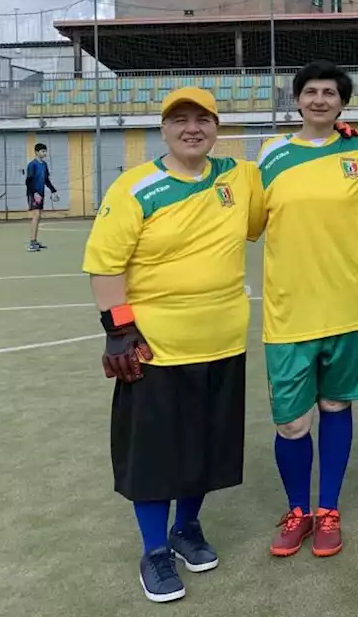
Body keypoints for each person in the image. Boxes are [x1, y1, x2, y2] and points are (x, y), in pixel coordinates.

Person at [82, 87, 262, 603]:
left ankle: (188, 527)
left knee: (205, 448)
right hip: (157, 349)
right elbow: (105, 263)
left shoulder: (238, 177)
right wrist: (118, 328)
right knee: (156, 457)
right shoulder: (136, 186)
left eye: (203, 119)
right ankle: (155, 551)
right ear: (163, 129)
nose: (192, 129)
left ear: (216, 127)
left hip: (223, 340)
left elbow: (284, 178)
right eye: (180, 120)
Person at [259, 61, 358, 560]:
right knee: (291, 423)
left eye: (329, 93)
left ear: (342, 102)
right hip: (288, 314)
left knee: (336, 408)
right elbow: (253, 221)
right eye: (310, 91)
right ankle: (297, 510)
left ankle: (328, 510)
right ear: (297, 100)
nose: (319, 99)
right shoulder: (271, 155)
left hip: (348, 308)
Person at [25, 142, 58, 251]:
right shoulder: (32, 165)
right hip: (34, 194)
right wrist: (34, 193)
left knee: (39, 216)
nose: (45, 153)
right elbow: (28, 181)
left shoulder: (44, 165)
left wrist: (53, 191)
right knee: (36, 215)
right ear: (36, 152)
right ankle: (31, 243)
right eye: (42, 151)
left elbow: (46, 180)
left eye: (45, 151)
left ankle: (34, 241)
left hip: (41, 193)